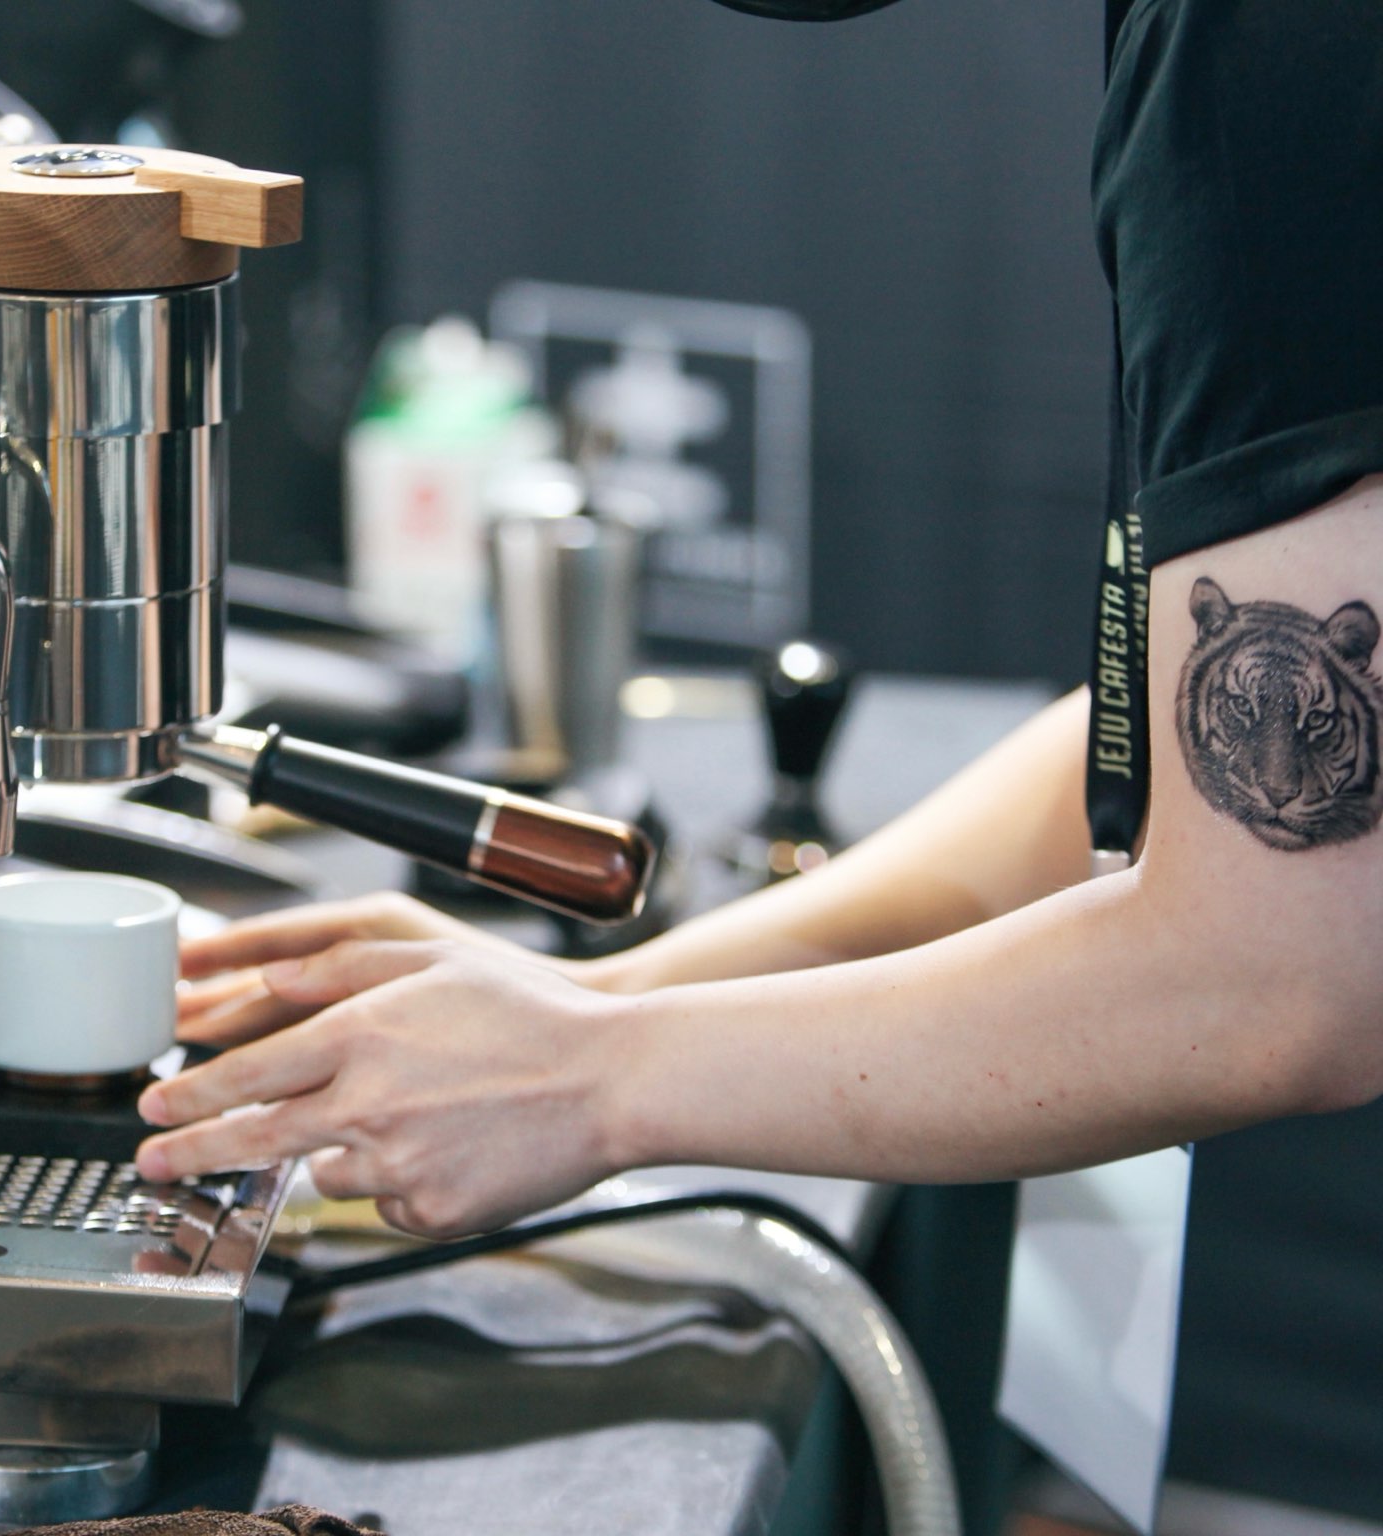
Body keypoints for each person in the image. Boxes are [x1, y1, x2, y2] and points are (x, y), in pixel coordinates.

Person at [133, 0, 1383, 1260]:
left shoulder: (1268, 42)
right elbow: (1179, 758)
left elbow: (1274, 974)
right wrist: (597, 997)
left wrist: (591, 1077)